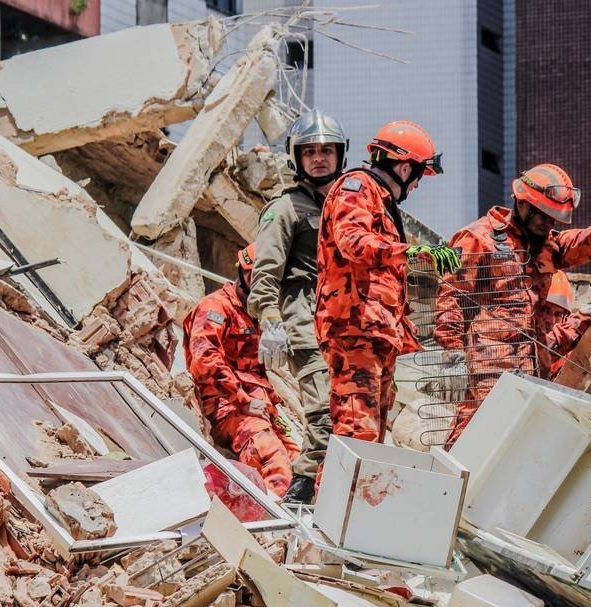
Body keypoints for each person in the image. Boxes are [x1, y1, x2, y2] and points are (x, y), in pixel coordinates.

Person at [434, 163, 591, 445]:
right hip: (491, 371)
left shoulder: (546, 246)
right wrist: (453, 356)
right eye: (545, 217)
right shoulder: (477, 239)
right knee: (474, 439)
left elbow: (590, 239)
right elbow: (451, 296)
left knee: (517, 445)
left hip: (532, 371)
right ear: (524, 205)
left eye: (555, 219)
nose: (550, 225)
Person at [314, 120, 457, 455]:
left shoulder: (380, 201)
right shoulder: (357, 186)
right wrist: (414, 251)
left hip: (374, 334)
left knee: (370, 439)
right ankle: (335, 505)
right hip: (355, 330)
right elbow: (352, 242)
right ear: (405, 167)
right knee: (357, 434)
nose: (418, 185)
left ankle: (353, 504)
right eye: (420, 174)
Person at [248, 110, 347, 504]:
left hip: (345, 318)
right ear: (297, 157)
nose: (319, 158)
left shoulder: (347, 206)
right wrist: (270, 320)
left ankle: (333, 495)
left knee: (351, 412)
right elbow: (266, 272)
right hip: (304, 316)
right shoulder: (285, 208)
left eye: (327, 150)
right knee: (324, 411)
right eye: (310, 151)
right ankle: (301, 490)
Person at [182, 244, 300, 497]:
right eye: (257, 277)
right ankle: (271, 529)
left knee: (304, 464)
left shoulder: (260, 317)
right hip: (230, 407)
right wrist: (242, 400)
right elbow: (205, 360)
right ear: (243, 274)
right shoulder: (216, 307)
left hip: (262, 407)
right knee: (274, 463)